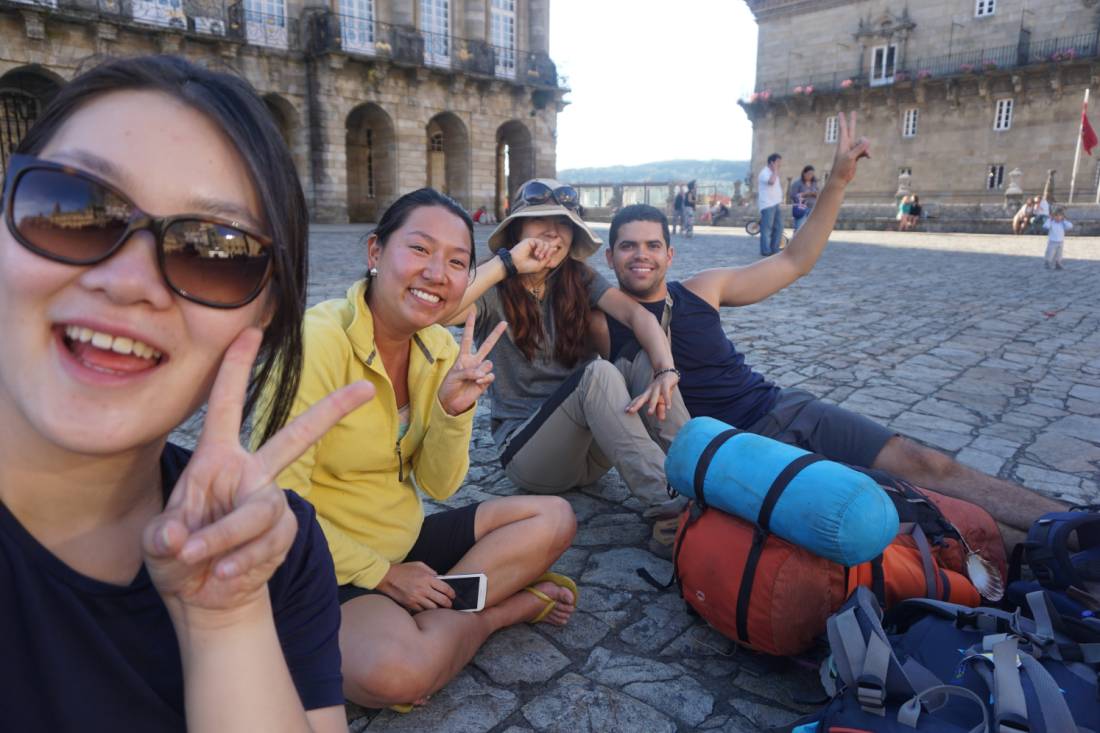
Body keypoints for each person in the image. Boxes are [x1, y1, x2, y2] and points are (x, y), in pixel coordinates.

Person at [0, 55, 375, 732]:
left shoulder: (274, 553)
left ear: (262, 317)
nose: (128, 280)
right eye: (73, 208)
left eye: (216, 250)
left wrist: (226, 620)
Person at [594, 112, 1066, 547]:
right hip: (742, 452)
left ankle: (1072, 524)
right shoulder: (603, 326)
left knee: (928, 464)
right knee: (910, 509)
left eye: (653, 245)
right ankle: (1052, 556)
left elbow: (794, 260)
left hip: (782, 408)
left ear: (669, 255)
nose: (641, 255)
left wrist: (837, 182)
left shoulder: (702, 289)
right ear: (609, 257)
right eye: (628, 246)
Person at [258, 189, 578, 712]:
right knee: (396, 676)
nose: (438, 273)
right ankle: (500, 612)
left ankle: (437, 614)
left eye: (457, 262)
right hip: (321, 564)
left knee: (554, 517)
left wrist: (453, 411)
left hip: (404, 544)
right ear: (375, 253)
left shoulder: (439, 347)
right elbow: (274, 504)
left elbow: (439, 484)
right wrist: (383, 577)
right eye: (420, 249)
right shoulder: (316, 342)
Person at [444, 177, 684, 525]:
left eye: (564, 224)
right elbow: (444, 312)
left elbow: (635, 315)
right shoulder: (493, 285)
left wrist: (666, 370)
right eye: (541, 221)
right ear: (517, 229)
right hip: (533, 456)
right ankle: (672, 507)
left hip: (592, 450)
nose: (554, 233)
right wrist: (507, 264)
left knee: (644, 361)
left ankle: (699, 472)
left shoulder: (577, 277)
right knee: (599, 373)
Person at [757, 153, 784, 255]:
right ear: (772, 162)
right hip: (767, 204)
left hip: (776, 204)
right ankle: (766, 251)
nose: (780, 164)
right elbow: (771, 182)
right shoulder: (764, 172)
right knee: (767, 229)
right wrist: (775, 170)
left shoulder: (773, 172)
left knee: (779, 227)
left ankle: (775, 249)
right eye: (778, 162)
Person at [788, 165, 819, 232]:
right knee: (800, 229)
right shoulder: (797, 183)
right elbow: (792, 195)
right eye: (809, 174)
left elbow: (818, 193)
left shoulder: (814, 183)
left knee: (811, 230)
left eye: (812, 174)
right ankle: (796, 242)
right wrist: (804, 194)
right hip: (801, 209)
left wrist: (814, 194)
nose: (810, 176)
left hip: (813, 209)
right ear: (804, 173)